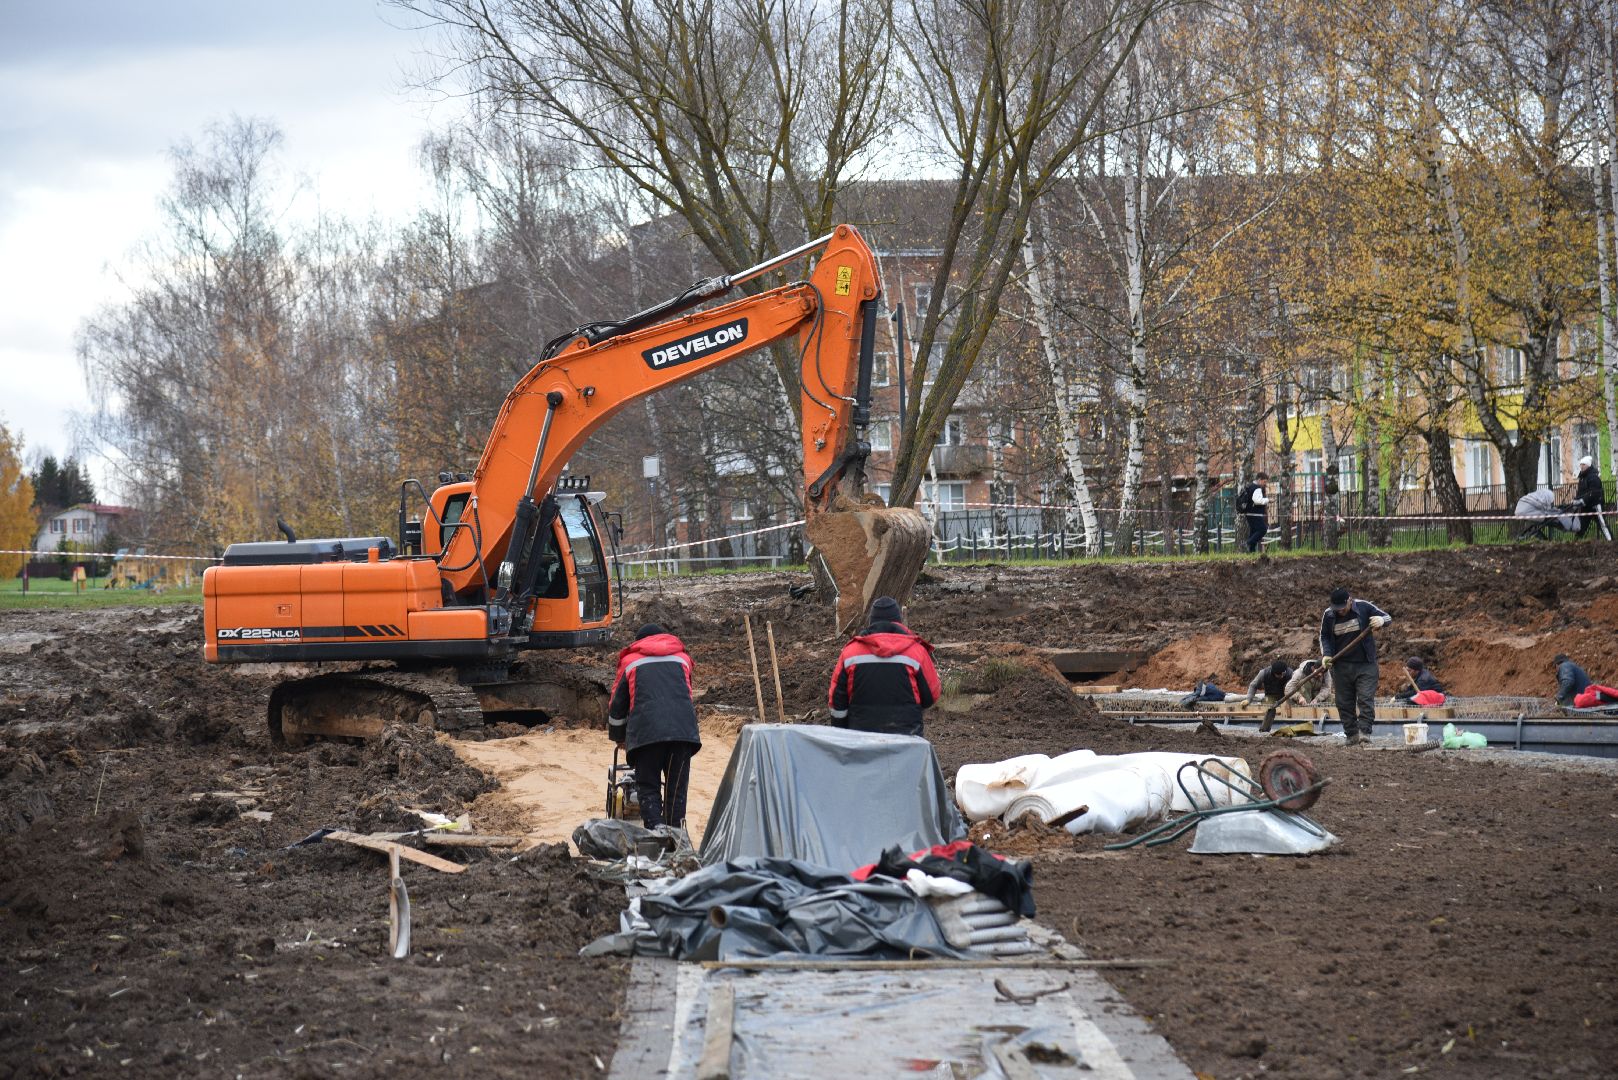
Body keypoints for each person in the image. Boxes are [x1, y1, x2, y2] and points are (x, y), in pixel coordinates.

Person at [607, 623, 700, 830]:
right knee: (676, 791)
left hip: (646, 734)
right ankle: (675, 836)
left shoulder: (631, 662)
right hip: (682, 734)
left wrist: (619, 737)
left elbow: (617, 705)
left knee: (648, 787)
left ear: (639, 642)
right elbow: (686, 694)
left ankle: (655, 832)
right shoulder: (682, 659)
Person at [827, 596, 941, 737]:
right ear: (899, 622)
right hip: (907, 739)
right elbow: (931, 695)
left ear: (871, 622)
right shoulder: (916, 652)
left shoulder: (851, 653)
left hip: (860, 740)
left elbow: (837, 701)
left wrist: (842, 733)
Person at [1320, 587, 1392, 745]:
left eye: (1342, 608)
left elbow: (1388, 617)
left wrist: (1381, 621)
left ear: (1349, 601)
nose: (1340, 612)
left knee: (1365, 698)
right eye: (1336, 609)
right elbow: (1324, 635)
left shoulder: (1363, 606)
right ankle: (1352, 735)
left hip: (1365, 664)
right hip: (1341, 666)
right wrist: (1326, 654)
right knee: (1343, 702)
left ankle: (1365, 732)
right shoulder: (1329, 614)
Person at [1243, 659, 1292, 732]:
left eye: (1283, 674)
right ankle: (1264, 729)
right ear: (1274, 673)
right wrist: (1248, 699)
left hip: (1286, 695)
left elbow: (1295, 686)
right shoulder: (1264, 673)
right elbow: (1253, 685)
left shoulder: (1290, 673)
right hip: (1270, 695)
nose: (1281, 676)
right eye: (1279, 675)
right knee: (1269, 709)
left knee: (1290, 707)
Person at [1554, 653, 1618, 709]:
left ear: (1557, 665)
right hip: (1585, 699)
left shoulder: (1564, 666)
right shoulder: (1573, 666)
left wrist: (1559, 697)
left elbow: (1568, 682)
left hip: (1582, 701)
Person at [1574, 456, 1613, 541]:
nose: (1581, 466)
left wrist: (1583, 500)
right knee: (1581, 525)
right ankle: (1576, 543)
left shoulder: (1593, 477)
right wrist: (1577, 500)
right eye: (1580, 464)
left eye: (1583, 464)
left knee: (1602, 524)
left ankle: (1611, 542)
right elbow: (1581, 492)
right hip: (1586, 506)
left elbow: (1594, 492)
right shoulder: (1582, 478)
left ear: (1588, 465)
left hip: (1595, 505)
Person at [1236, 473, 1269, 553]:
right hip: (1255, 514)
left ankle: (1251, 552)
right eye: (1264, 482)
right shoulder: (1257, 488)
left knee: (1254, 532)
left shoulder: (1250, 486)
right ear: (1259, 480)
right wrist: (1268, 500)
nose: (1265, 484)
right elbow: (1258, 501)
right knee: (1262, 530)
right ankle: (1248, 543)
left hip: (1249, 513)